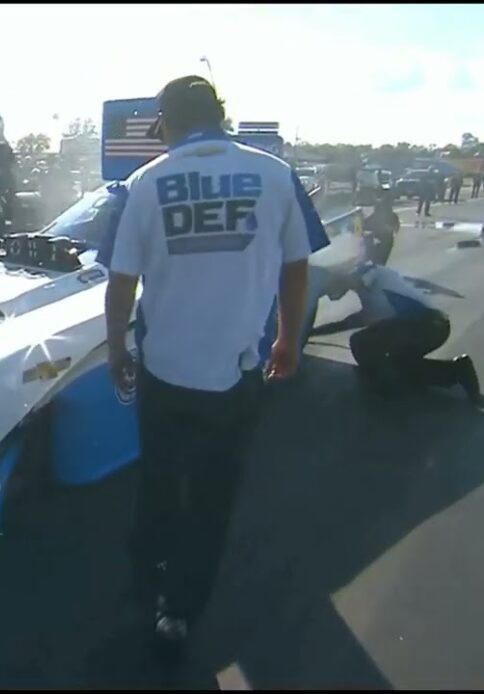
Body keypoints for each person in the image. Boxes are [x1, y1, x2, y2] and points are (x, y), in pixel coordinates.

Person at [102, 75, 330, 661]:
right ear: (220, 116)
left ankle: (144, 571)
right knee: (211, 497)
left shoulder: (144, 183)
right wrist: (287, 340)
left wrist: (116, 349)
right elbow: (296, 266)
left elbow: (121, 280)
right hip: (236, 372)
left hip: (163, 369)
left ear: (166, 121)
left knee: (158, 479)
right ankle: (177, 611)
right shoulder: (275, 174)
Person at [308, 263, 481, 405]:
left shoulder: (369, 271)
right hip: (426, 329)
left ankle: (385, 387)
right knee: (400, 366)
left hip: (429, 323)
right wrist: (309, 332)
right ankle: (457, 369)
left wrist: (331, 282)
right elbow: (346, 323)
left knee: (361, 342)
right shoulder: (370, 303)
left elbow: (359, 276)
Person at [362, 194, 400, 266]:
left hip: (382, 240)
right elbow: (396, 227)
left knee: (378, 258)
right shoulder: (390, 215)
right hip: (384, 240)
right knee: (380, 259)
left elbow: (367, 223)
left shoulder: (383, 214)